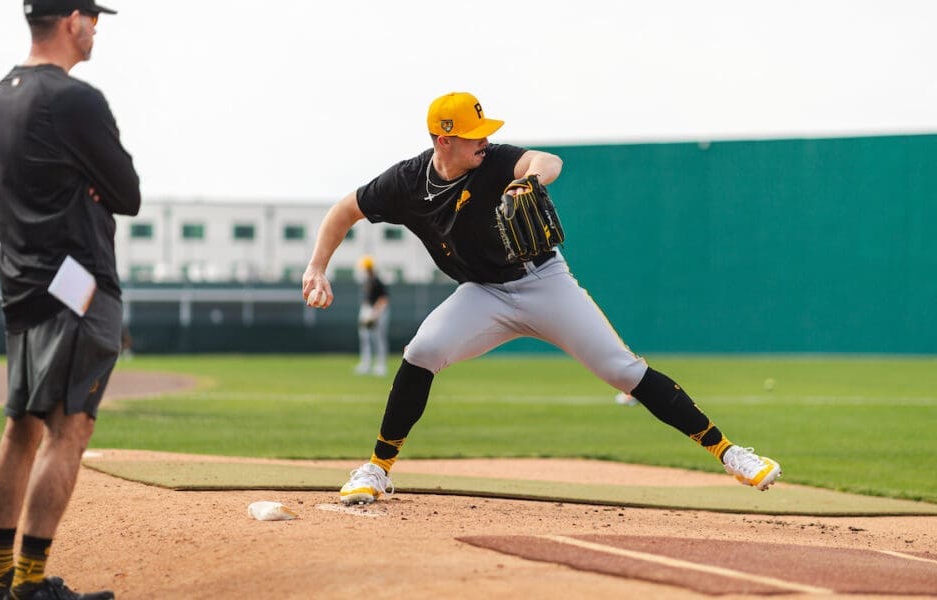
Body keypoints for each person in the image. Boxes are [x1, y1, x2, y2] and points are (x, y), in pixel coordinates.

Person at [301, 91, 780, 506]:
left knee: (621, 369)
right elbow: (344, 210)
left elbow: (547, 160)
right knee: (422, 351)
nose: (483, 141)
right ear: (442, 140)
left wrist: (528, 180)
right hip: (483, 294)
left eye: (484, 131)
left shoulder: (494, 160)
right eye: (472, 134)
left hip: (543, 282)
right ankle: (377, 470)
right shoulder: (404, 183)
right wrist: (317, 266)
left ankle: (731, 454)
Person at [0, 1, 140, 598]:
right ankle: (30, 582)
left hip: (20, 282)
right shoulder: (76, 99)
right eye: (92, 17)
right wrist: (91, 185)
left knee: (19, 428)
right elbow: (127, 192)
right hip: (77, 285)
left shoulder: (1, 95)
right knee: (67, 431)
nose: (96, 28)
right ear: (71, 20)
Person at [354, 255, 390, 376]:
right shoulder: (367, 281)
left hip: (378, 311)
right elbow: (366, 299)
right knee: (365, 337)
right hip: (367, 310)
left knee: (378, 338)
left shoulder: (377, 281)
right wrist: (365, 312)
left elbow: (384, 299)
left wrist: (375, 313)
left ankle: (381, 366)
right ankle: (366, 364)